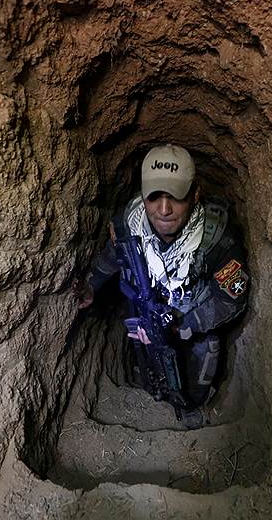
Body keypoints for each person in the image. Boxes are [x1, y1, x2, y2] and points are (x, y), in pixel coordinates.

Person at [76, 144, 250, 427]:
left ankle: (191, 406)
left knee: (205, 355)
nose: (164, 210)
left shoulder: (215, 238)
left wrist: (187, 325)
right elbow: (114, 255)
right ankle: (150, 388)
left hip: (192, 315)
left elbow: (232, 299)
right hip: (148, 309)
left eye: (176, 197)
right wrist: (92, 285)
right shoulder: (128, 226)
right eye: (155, 197)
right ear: (143, 195)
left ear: (195, 195)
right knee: (148, 359)